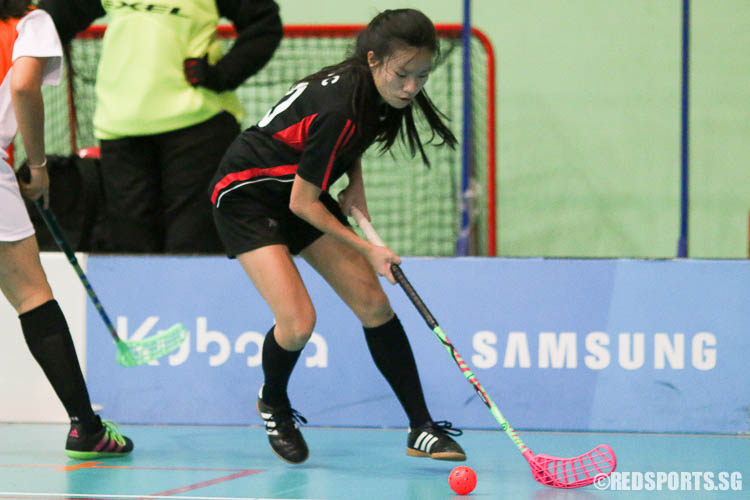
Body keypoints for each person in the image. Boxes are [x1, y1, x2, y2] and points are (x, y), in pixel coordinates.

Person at [210, 8, 465, 464]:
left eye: (422, 75)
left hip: (296, 182)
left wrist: (357, 190)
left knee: (374, 304)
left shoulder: (375, 93)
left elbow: (350, 143)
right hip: (247, 192)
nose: (412, 87)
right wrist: (369, 248)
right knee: (298, 323)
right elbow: (304, 204)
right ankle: (273, 402)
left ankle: (421, 428)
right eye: (403, 75)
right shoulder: (340, 106)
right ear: (372, 59)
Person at [38, 0, 283, 253]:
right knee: (131, 246)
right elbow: (50, 21)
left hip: (200, 126)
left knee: (193, 245)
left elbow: (264, 23)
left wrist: (222, 74)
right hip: (120, 128)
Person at [0, 0, 132, 458]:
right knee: (32, 296)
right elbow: (22, 86)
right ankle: (86, 427)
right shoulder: (31, 22)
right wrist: (37, 166)